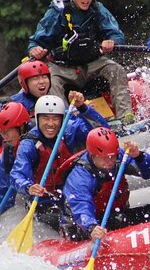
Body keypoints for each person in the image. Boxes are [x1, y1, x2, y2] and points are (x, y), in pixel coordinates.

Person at [26, 0, 135, 129]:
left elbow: (116, 34)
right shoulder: (58, 11)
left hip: (93, 62)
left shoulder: (97, 9)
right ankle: (67, 126)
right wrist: (34, 49)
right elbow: (37, 40)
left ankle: (126, 118)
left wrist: (112, 41)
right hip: (63, 66)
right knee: (53, 82)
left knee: (116, 69)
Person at [10, 93, 110, 232]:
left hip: (75, 195)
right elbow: (17, 175)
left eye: (55, 119)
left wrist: (83, 109)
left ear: (62, 119)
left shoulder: (69, 131)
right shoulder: (29, 145)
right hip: (47, 203)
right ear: (38, 119)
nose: (51, 124)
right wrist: (28, 187)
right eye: (45, 118)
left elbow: (103, 132)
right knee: (65, 223)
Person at [63, 127, 150, 241]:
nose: (109, 162)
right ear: (93, 155)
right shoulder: (80, 177)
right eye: (104, 158)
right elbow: (81, 205)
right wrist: (91, 227)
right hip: (80, 227)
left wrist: (139, 156)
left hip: (114, 215)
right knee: (119, 220)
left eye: (112, 157)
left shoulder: (120, 157)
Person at [0, 102, 32, 240]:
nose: (5, 137)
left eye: (7, 132)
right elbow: (0, 187)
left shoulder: (41, 140)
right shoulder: (10, 150)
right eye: (2, 133)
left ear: (21, 127)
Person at [0, 59, 51, 151]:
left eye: (44, 77)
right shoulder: (11, 104)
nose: (42, 81)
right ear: (25, 83)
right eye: (35, 78)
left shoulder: (53, 101)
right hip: (18, 152)